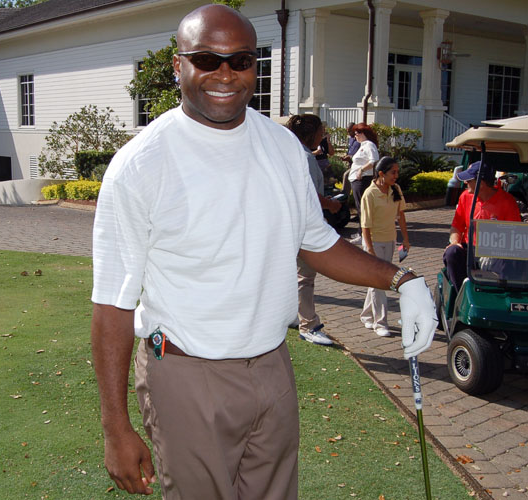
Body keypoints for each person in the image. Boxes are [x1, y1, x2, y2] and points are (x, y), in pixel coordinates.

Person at [90, 5, 437, 499]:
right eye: (206, 59)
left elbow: (318, 244)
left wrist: (402, 280)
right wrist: (115, 429)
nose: (225, 74)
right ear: (177, 66)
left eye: (241, 60)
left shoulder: (280, 146)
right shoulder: (140, 166)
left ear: (256, 65)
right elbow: (112, 305)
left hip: (272, 367)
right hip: (187, 374)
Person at [286, 114, 341, 346]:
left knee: (294, 275)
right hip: (305, 225)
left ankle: (293, 315)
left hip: (293, 223)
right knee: (305, 277)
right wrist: (331, 204)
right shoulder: (304, 157)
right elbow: (308, 195)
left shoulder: (293, 152)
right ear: (311, 133)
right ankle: (308, 325)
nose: (324, 136)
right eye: (322, 131)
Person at [443, 160, 521, 290]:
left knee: (509, 263)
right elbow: (457, 225)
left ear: (482, 183)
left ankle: (500, 298)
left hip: (495, 252)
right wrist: (455, 241)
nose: (465, 182)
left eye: (469, 180)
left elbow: (514, 235)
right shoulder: (465, 197)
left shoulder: (507, 202)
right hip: (470, 249)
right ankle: (460, 296)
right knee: (452, 252)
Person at [360, 157, 410, 337]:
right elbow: (365, 226)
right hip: (374, 243)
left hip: (390, 241)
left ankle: (366, 315)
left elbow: (401, 215)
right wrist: (370, 249)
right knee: (380, 281)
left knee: (377, 282)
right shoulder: (369, 194)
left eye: (397, 172)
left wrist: (405, 238)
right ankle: (380, 323)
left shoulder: (395, 189)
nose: (396, 176)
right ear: (381, 174)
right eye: (393, 172)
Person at [349, 122, 379, 244]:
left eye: (357, 133)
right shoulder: (363, 145)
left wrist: (361, 170)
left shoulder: (369, 145)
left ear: (364, 133)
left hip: (362, 180)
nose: (355, 135)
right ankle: (361, 232)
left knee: (363, 208)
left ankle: (364, 235)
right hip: (356, 180)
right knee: (360, 207)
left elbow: (374, 160)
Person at [340, 122, 360, 198]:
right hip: (351, 163)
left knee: (346, 175)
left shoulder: (359, 139)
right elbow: (350, 150)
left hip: (358, 165)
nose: (348, 133)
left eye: (350, 131)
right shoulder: (351, 139)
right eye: (347, 131)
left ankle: (344, 197)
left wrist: (351, 157)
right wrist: (346, 156)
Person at [312, 121, 335, 185]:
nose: (324, 130)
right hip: (316, 162)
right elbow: (306, 153)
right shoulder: (311, 140)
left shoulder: (324, 140)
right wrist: (316, 152)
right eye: (322, 128)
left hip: (324, 163)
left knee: (329, 182)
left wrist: (328, 141)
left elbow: (331, 153)